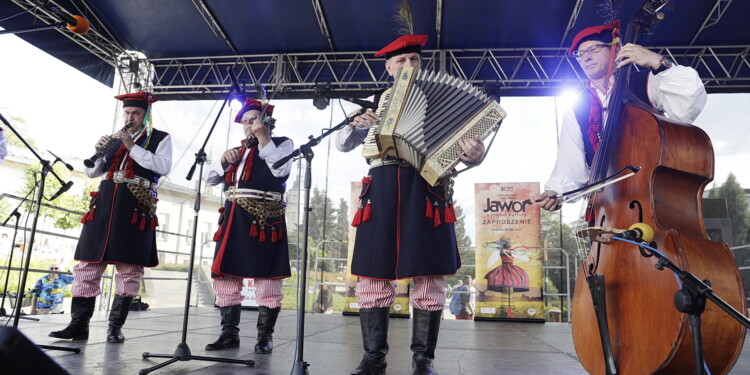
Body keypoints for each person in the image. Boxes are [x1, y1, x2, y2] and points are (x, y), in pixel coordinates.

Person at [336, 34, 486, 375]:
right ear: (388, 68)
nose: (408, 66)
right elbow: (344, 145)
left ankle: (423, 360)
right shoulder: (373, 104)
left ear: (422, 64)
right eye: (400, 62)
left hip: (428, 184)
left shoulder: (443, 98)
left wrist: (477, 156)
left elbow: (471, 145)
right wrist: (355, 126)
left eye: (414, 60)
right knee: (373, 272)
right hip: (383, 183)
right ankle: (374, 357)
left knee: (429, 274)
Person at [534, 20, 707, 211]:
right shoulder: (576, 108)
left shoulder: (647, 82)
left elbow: (688, 104)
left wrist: (658, 62)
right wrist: (556, 192)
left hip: (655, 201)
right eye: (580, 54)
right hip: (606, 207)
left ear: (616, 50)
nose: (586, 57)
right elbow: (570, 161)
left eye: (594, 49)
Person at [49, 91, 172, 343]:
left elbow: (163, 166)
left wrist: (131, 146)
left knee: (129, 268)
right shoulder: (113, 139)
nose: (130, 117)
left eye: (136, 113)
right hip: (104, 204)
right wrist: (99, 152)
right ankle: (78, 324)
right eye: (127, 113)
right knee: (87, 264)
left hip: (135, 204)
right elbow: (92, 172)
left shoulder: (160, 138)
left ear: (146, 115)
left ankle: (115, 326)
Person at [204, 98, 293, 353]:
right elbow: (210, 179)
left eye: (253, 119)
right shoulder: (237, 151)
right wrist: (222, 161)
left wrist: (264, 138)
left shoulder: (282, 144)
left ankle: (265, 336)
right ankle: (229, 333)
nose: (248, 125)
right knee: (227, 277)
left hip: (264, 217)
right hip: (233, 217)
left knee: (267, 279)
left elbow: (280, 170)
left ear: (266, 121)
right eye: (245, 121)